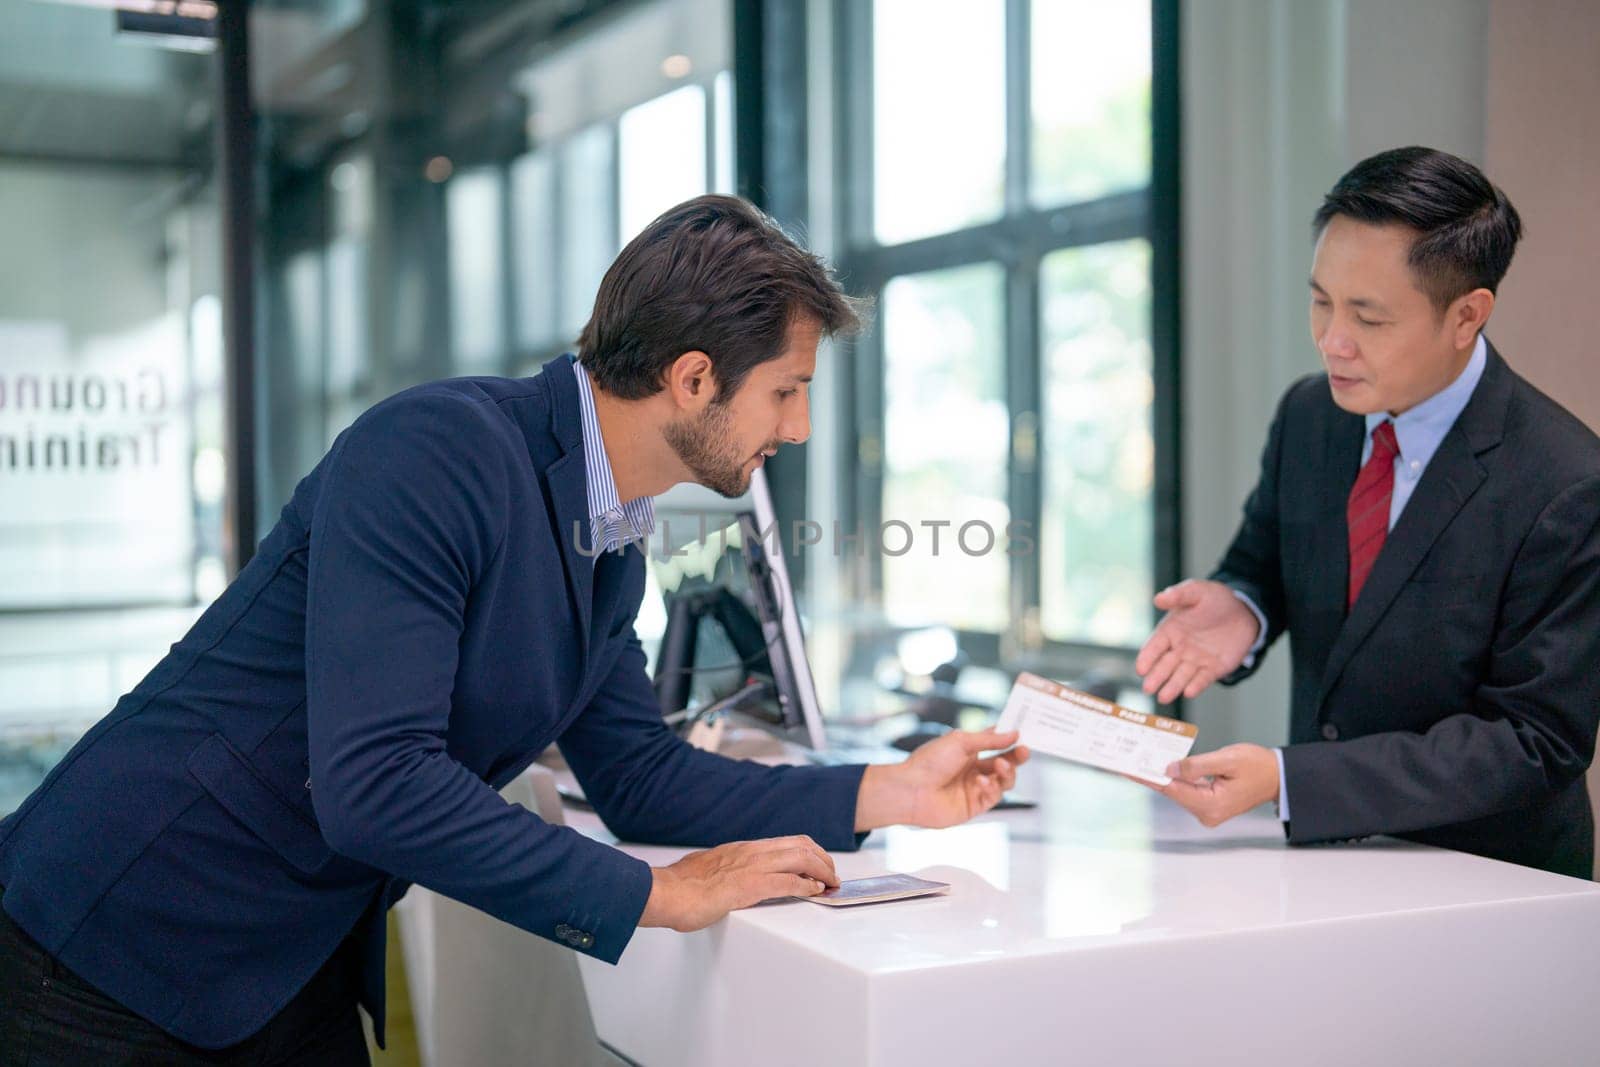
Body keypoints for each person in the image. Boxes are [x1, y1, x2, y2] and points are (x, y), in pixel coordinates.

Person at [0, 195, 1028, 1064]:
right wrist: (656, 892)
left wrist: (885, 788)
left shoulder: (611, 538)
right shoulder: (437, 450)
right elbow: (377, 780)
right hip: (112, 937)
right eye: (787, 390)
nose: (798, 427)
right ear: (693, 377)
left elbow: (637, 774)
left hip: (283, 956)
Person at [1134, 146, 1600, 879]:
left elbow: (1533, 740)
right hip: (1322, 871)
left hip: (1487, 883)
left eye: (1368, 317)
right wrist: (1244, 604)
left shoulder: (1566, 479)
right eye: (1321, 300)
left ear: (1466, 315)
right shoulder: (1310, 414)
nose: (1331, 341)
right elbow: (1262, 559)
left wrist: (1294, 780)